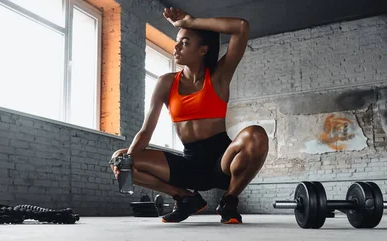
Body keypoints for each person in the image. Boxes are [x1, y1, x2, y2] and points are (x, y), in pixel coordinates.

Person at [110, 7, 269, 224]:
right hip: (190, 163)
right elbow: (146, 131)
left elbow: (241, 28)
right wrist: (127, 160)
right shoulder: (166, 83)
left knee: (256, 135)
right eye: (178, 42)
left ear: (203, 50)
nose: (176, 47)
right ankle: (185, 197)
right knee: (121, 157)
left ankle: (229, 200)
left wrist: (191, 22)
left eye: (184, 43)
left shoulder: (219, 77)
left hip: (222, 162)